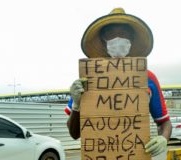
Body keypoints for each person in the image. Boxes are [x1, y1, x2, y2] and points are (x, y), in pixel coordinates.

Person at [65, 8, 172, 157]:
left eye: (124, 34)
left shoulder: (147, 78)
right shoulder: (87, 80)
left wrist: (163, 137)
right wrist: (76, 106)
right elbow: (74, 134)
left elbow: (164, 122)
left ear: (132, 40)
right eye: (112, 34)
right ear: (103, 40)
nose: (118, 38)